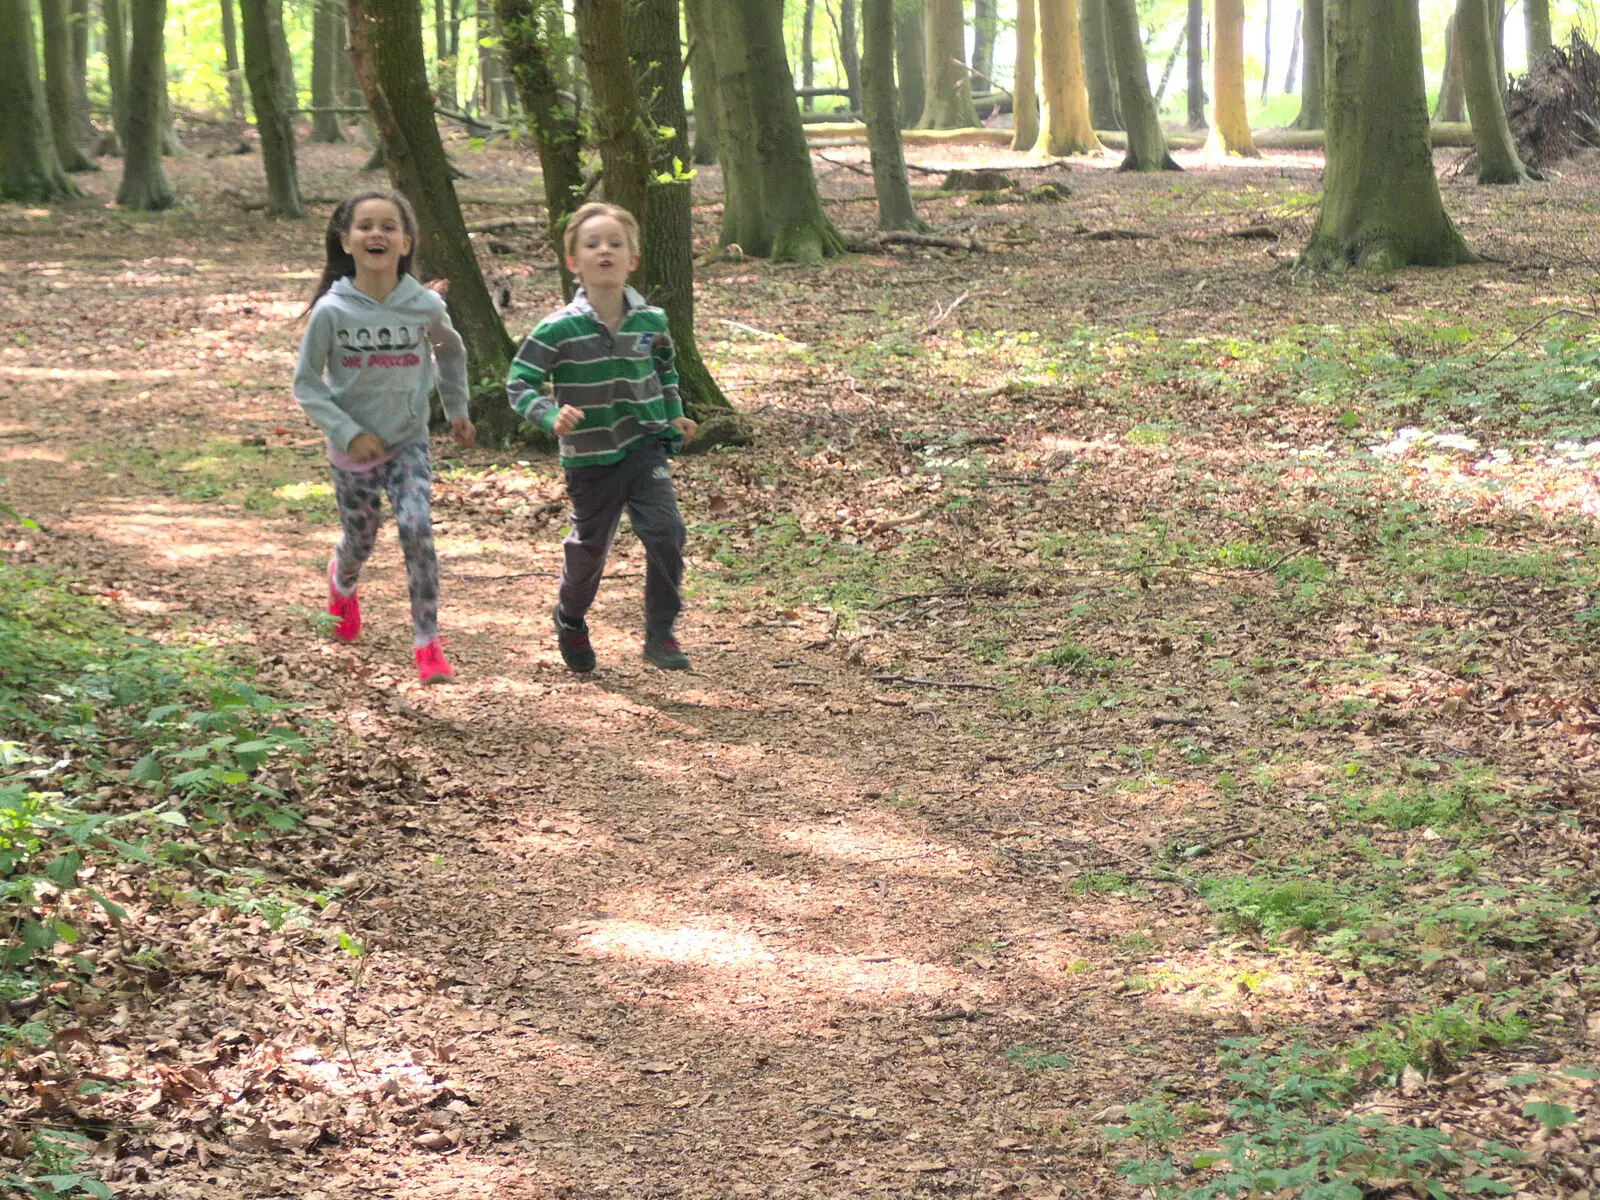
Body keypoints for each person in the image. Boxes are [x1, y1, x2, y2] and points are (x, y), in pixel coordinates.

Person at [292, 190, 475, 685]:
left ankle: (428, 642)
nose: (377, 233)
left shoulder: (424, 305)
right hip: (351, 451)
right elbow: (306, 384)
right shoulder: (332, 312)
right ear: (346, 241)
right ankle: (342, 579)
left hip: (407, 441)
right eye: (365, 226)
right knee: (361, 538)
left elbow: (451, 353)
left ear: (406, 242)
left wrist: (456, 410)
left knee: (416, 528)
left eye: (389, 226)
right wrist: (348, 433)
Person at [506, 202, 697, 672]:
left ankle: (660, 632)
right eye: (592, 245)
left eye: (615, 243)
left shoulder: (652, 321)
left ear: (633, 259)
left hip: (643, 445)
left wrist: (673, 414)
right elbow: (519, 383)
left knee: (667, 533)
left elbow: (665, 369)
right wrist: (549, 415)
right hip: (589, 457)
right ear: (574, 262)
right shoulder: (558, 328)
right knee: (589, 550)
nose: (604, 250)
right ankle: (570, 618)